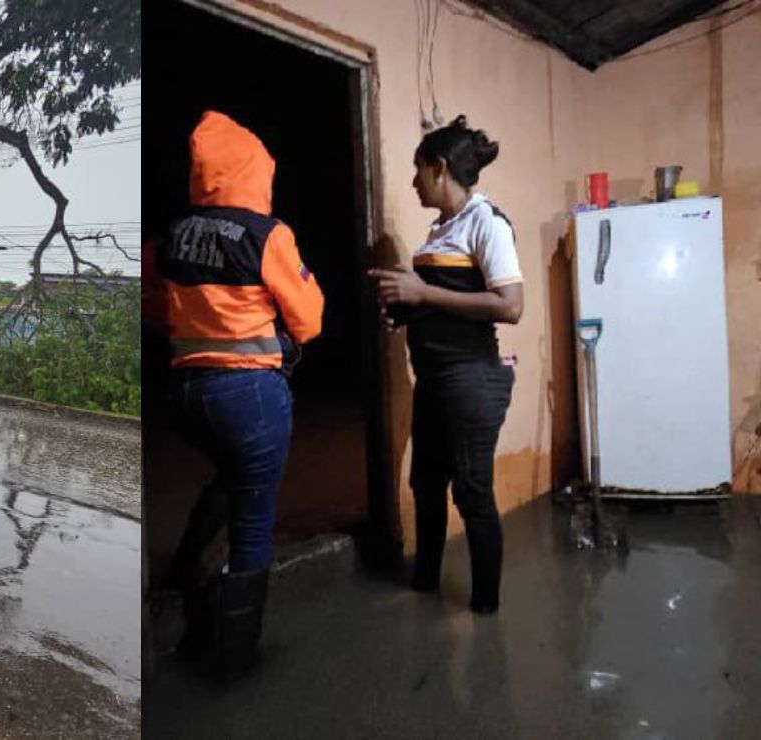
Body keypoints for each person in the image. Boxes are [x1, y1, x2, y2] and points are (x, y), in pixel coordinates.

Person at [143, 110, 324, 677]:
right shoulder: (267, 234)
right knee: (253, 520)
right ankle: (235, 661)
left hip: (186, 394)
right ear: (254, 171)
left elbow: (153, 309)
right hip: (250, 397)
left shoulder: (170, 234)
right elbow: (310, 320)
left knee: (227, 479)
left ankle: (181, 583)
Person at [369, 115, 522, 614]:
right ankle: (425, 584)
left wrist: (422, 291)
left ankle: (485, 606)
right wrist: (409, 312)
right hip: (435, 379)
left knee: (472, 490)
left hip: (471, 377)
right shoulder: (442, 229)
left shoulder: (486, 222)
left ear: (439, 168)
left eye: (418, 171)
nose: (413, 181)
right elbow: (446, 298)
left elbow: (510, 306)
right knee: (426, 484)